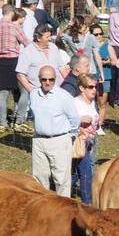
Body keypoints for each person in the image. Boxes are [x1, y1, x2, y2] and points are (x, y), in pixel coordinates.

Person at [25, 64, 79, 196]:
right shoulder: (33, 95)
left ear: (55, 79)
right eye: (44, 79)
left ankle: (63, 212)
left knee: (61, 180)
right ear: (39, 79)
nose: (48, 82)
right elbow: (32, 114)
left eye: (51, 79)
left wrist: (68, 136)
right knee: (39, 178)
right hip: (39, 140)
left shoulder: (64, 96)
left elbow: (74, 119)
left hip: (59, 141)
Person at [72, 73, 101, 204]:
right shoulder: (75, 103)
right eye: (90, 87)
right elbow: (69, 121)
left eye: (95, 87)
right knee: (85, 173)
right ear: (82, 88)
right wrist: (80, 120)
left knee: (79, 172)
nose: (94, 90)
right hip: (79, 142)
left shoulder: (92, 102)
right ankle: (87, 202)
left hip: (90, 142)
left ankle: (63, 192)